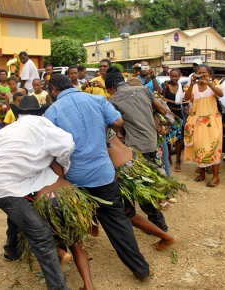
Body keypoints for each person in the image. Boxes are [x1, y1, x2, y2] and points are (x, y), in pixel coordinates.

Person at [45, 73, 151, 281]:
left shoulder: (52, 111)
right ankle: (141, 270)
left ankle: (72, 277)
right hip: (103, 173)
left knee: (71, 223)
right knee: (118, 222)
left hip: (74, 178)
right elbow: (119, 122)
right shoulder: (97, 99)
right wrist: (105, 134)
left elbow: (49, 148)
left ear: (54, 90)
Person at [0, 95, 71, 290]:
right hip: (5, 187)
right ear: (39, 111)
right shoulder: (41, 123)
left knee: (16, 211)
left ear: (18, 113)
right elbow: (67, 144)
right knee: (41, 236)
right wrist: (62, 164)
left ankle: (11, 252)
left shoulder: (5, 131)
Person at [105, 66, 170, 225]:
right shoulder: (144, 90)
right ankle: (160, 207)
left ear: (113, 87)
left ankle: (158, 223)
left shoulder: (113, 100)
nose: (110, 93)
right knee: (154, 177)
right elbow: (162, 109)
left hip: (135, 148)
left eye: (109, 90)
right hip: (152, 143)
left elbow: (116, 124)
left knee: (140, 187)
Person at [183, 64, 223, 187]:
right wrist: (191, 84)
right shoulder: (192, 86)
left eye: (204, 73)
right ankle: (202, 173)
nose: (201, 75)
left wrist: (209, 83)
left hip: (211, 122)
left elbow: (221, 94)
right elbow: (187, 97)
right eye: (199, 72)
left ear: (209, 75)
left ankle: (216, 176)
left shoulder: (214, 84)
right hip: (196, 122)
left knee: (213, 147)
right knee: (199, 147)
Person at [162, 68, 184, 172]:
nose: (174, 78)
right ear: (169, 76)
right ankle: (169, 158)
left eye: (176, 76)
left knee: (178, 140)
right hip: (168, 117)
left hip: (178, 116)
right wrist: (165, 89)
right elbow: (161, 99)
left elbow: (185, 101)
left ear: (180, 76)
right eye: (172, 76)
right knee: (167, 140)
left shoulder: (182, 87)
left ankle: (178, 162)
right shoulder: (165, 85)